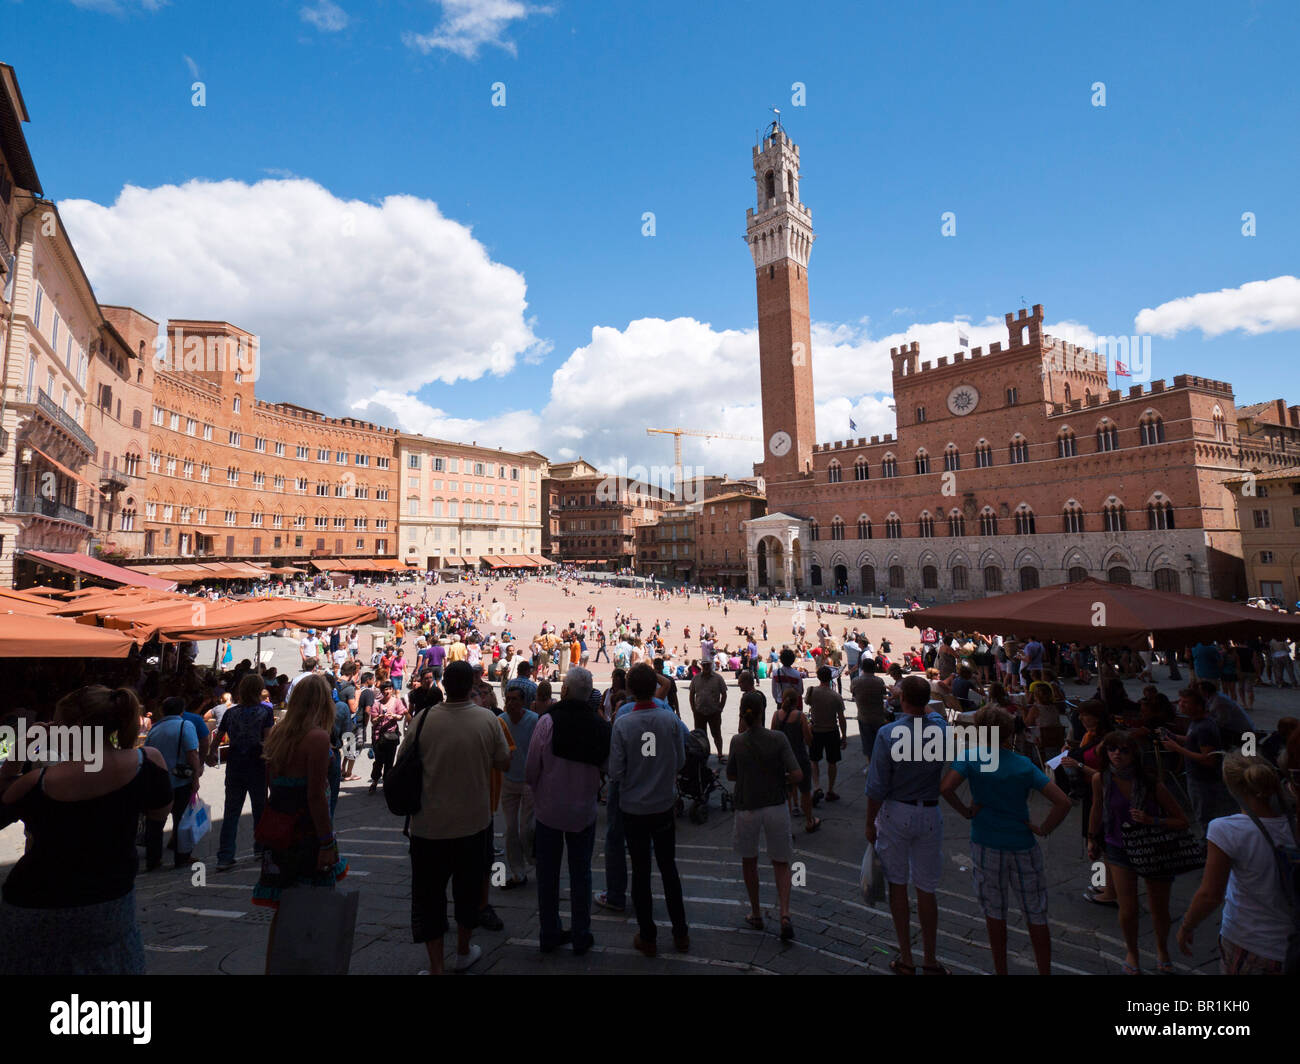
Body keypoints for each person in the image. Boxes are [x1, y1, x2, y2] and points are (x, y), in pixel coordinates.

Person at [0, 687, 172, 974]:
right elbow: (159, 813)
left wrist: (24, 745)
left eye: (55, 723)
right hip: (110, 905)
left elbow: (3, 798)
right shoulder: (148, 763)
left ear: (73, 729)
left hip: (35, 904)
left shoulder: (36, 782)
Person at [940, 706, 1071, 975]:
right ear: (1009, 733)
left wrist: (967, 811)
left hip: (986, 842)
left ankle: (1001, 970)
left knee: (994, 913)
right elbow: (1063, 801)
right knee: (1035, 912)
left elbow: (946, 788)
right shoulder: (1023, 764)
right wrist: (1043, 828)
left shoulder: (970, 758)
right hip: (1022, 843)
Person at [401, 660, 510, 974]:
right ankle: (463, 951)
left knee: (429, 898)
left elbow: (404, 760)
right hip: (473, 824)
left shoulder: (422, 720)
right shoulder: (487, 720)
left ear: (444, 686)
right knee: (468, 892)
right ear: (471, 686)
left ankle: (436, 966)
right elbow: (504, 762)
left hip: (428, 826)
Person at [253, 674, 349, 970]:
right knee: (315, 909)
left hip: (280, 830)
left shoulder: (278, 736)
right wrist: (327, 841)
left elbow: (273, 788)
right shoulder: (317, 738)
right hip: (306, 833)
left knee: (284, 910)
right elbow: (316, 796)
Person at [1178, 752, 1297, 974]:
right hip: (1292, 946)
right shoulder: (1293, 824)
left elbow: (1210, 895)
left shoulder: (1226, 829)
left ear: (1233, 788)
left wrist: (1187, 926)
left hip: (1249, 942)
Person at [864, 674, 949, 975]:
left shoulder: (888, 734)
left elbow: (876, 787)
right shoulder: (940, 729)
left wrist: (869, 822)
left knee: (897, 885)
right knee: (926, 888)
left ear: (902, 700)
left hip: (896, 811)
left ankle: (906, 958)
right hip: (929, 812)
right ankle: (930, 958)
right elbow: (933, 713)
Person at [1087, 730, 1188, 974]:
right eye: (1112, 749)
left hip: (1154, 846)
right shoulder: (1101, 779)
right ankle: (1132, 951)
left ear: (1134, 754)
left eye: (1123, 750)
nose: (1117, 755)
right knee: (1128, 908)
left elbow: (1182, 820)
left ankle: (1162, 949)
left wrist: (1152, 820)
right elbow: (1097, 809)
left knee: (1158, 907)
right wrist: (1092, 839)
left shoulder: (1151, 783)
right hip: (1118, 847)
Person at [526, 667, 610, 954]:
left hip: (548, 811)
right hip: (583, 813)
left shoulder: (547, 721)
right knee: (581, 875)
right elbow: (609, 768)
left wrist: (538, 793)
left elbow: (530, 768)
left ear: (564, 691)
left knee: (547, 875)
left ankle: (549, 933)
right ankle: (581, 933)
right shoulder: (601, 726)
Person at [609, 663, 689, 957]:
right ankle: (681, 933)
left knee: (640, 872)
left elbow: (615, 771)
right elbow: (680, 760)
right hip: (663, 806)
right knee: (669, 869)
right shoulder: (669, 719)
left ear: (629, 690)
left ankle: (648, 936)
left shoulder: (622, 723)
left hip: (633, 809)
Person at [728, 691, 803, 940]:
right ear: (762, 711)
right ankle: (785, 914)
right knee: (781, 862)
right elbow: (797, 775)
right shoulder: (778, 738)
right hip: (775, 805)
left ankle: (756, 912)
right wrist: (781, 779)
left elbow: (730, 775)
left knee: (749, 861)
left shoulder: (737, 741)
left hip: (747, 805)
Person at [209, 672, 275, 872]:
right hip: (257, 764)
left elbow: (219, 736)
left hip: (236, 764)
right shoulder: (265, 712)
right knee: (260, 809)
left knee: (231, 811)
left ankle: (225, 855)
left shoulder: (231, 712)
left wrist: (211, 753)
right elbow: (268, 740)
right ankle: (261, 849)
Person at [1162, 687, 1233, 833]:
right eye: (1180, 701)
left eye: (1186, 702)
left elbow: (1209, 759)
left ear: (1199, 706)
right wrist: (1174, 737)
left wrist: (1176, 748)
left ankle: (1207, 847)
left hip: (1203, 780)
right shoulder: (1197, 722)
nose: (1181, 705)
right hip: (1197, 777)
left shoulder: (1204, 728)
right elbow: (1193, 741)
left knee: (1204, 817)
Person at [144, 695, 204, 869]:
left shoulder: (154, 729)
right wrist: (196, 778)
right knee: (182, 819)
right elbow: (192, 753)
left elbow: (147, 753)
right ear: (182, 710)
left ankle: (153, 859)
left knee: (155, 822)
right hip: (180, 780)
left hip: (158, 781)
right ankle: (182, 857)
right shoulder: (185, 725)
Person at [499, 687, 538, 890]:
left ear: (523, 702)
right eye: (509, 699)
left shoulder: (534, 720)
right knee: (510, 829)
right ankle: (517, 872)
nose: (511, 702)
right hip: (508, 780)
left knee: (527, 829)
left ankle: (533, 857)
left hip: (529, 781)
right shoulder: (502, 721)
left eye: (515, 699)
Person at [805, 666, 847, 803]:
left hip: (816, 730)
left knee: (814, 760)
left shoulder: (811, 691)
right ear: (831, 678)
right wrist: (844, 736)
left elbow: (807, 702)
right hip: (831, 730)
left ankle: (817, 786)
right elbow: (841, 718)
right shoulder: (836, 696)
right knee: (832, 762)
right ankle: (830, 789)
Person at [367, 680, 408, 795]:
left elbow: (401, 716)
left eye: (389, 689)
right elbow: (373, 721)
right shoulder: (377, 704)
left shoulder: (396, 701)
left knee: (389, 762)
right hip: (378, 737)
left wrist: (394, 716)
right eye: (385, 689)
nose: (388, 691)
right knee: (379, 761)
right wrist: (379, 718)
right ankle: (374, 781)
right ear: (381, 691)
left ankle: (387, 783)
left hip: (391, 736)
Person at [850, 658, 889, 768]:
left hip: (864, 715)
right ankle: (881, 764)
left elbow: (853, 692)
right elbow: (883, 694)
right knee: (880, 742)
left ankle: (871, 765)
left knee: (868, 744)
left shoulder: (856, 681)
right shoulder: (879, 681)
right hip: (879, 716)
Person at [688, 657, 728, 762]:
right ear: (701, 665)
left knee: (717, 734)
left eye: (707, 665)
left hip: (714, 712)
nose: (705, 667)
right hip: (699, 712)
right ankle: (702, 756)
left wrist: (721, 708)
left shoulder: (718, 678)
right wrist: (693, 709)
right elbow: (692, 694)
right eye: (704, 665)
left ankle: (720, 754)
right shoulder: (696, 678)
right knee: (700, 736)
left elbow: (724, 694)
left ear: (711, 665)